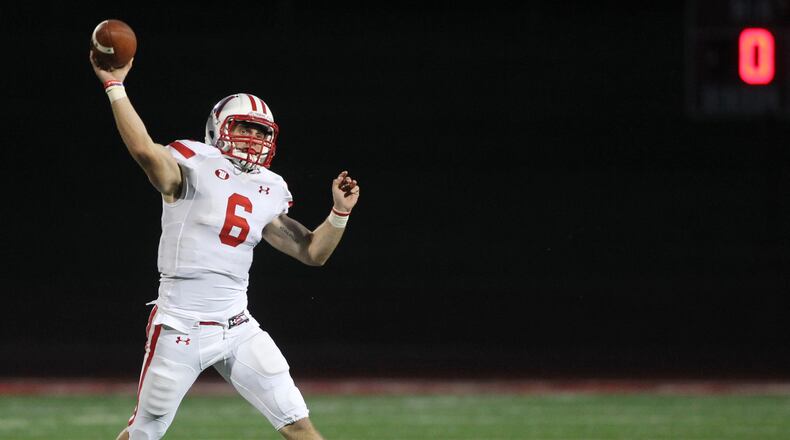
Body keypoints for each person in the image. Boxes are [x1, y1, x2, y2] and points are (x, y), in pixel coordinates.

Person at [90, 53, 359, 440]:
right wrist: (115, 85)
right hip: (180, 325)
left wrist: (339, 213)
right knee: (145, 431)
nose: (254, 138)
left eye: (261, 131)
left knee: (298, 424)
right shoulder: (192, 163)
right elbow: (146, 152)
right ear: (217, 127)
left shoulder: (270, 187)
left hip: (238, 326)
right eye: (245, 126)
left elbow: (313, 253)